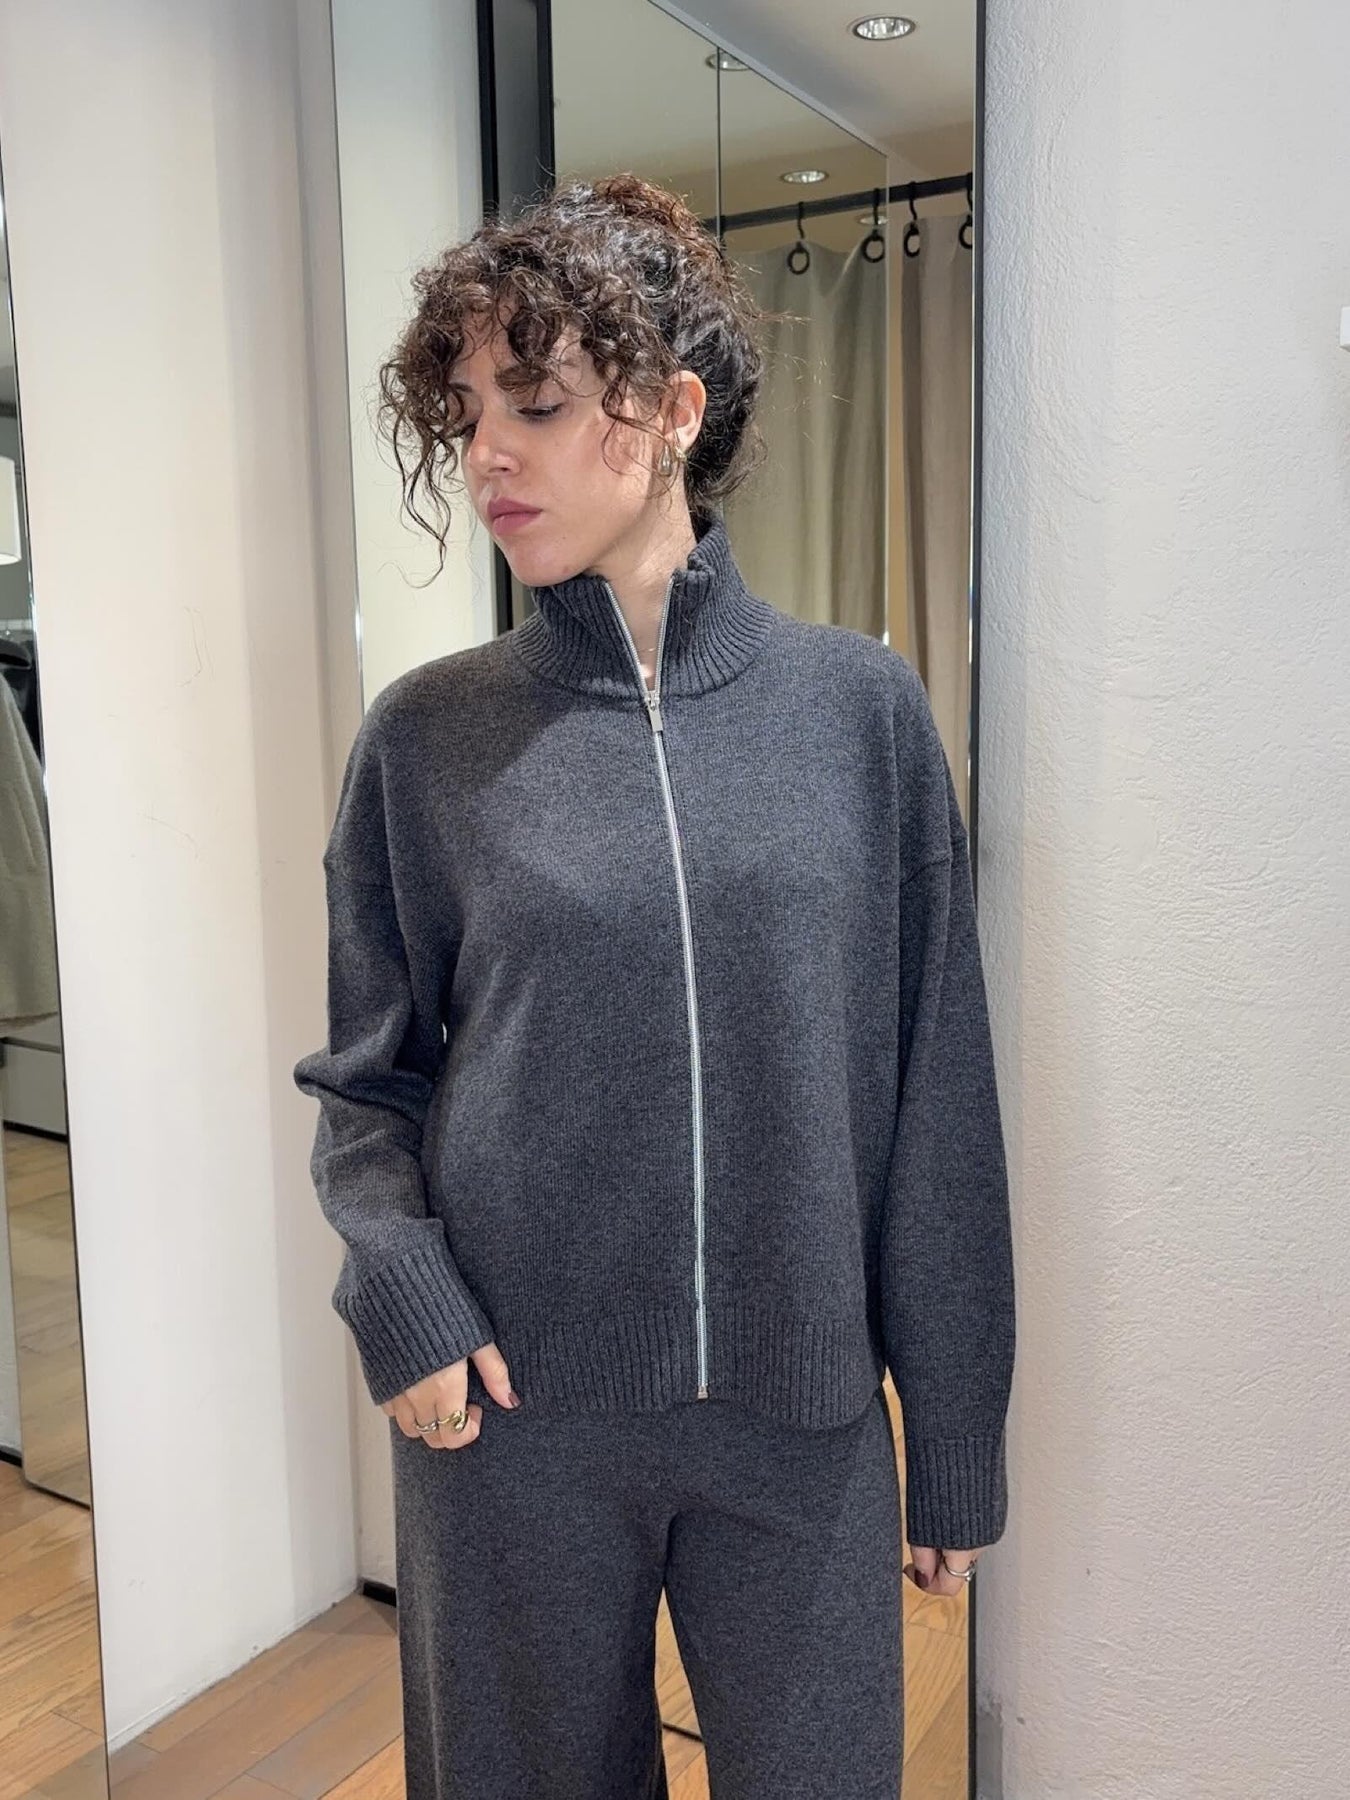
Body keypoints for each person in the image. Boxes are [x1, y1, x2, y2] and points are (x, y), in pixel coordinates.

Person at [293, 171, 1015, 1800]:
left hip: (800, 1418)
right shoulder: (427, 738)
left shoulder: (858, 713)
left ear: (673, 411)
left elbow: (936, 1096)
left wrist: (953, 1432)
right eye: (466, 412)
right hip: (511, 1422)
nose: (488, 453)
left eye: (537, 402)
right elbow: (364, 1081)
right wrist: (401, 1297)